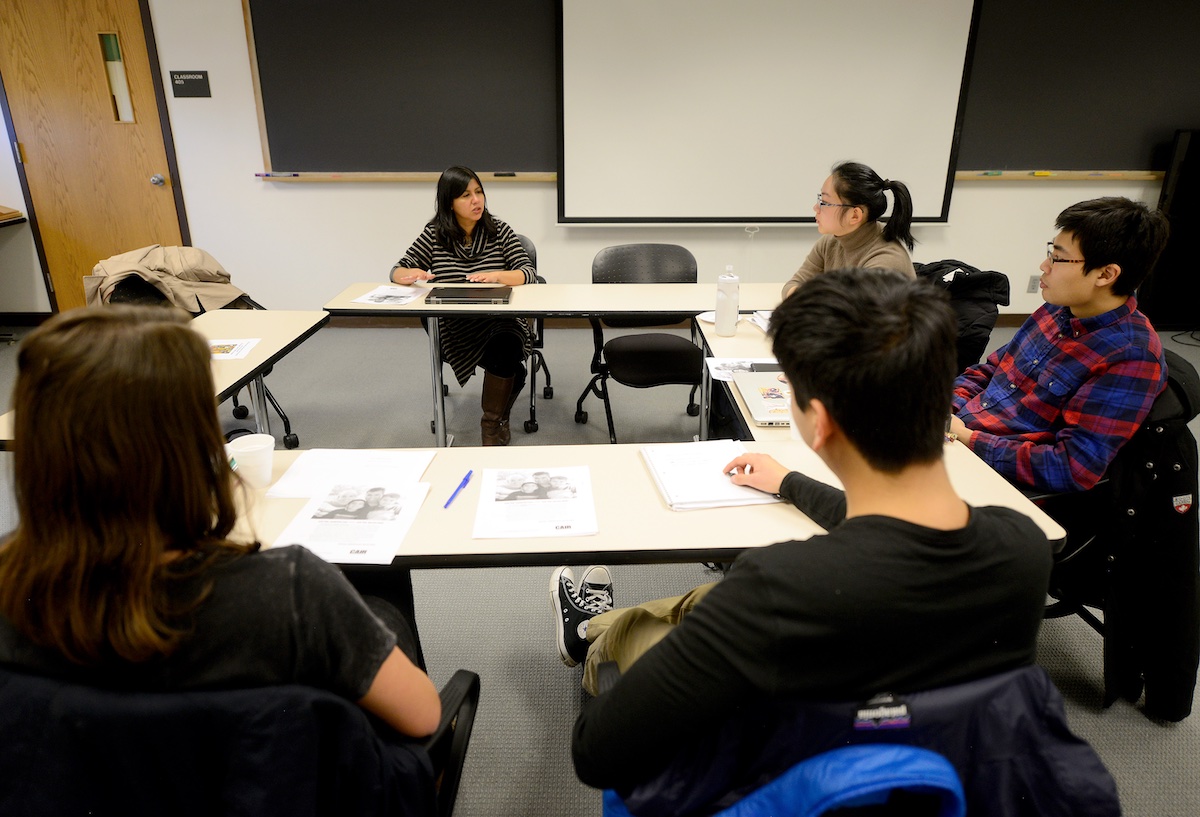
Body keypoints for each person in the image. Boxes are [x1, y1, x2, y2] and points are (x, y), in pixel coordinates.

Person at [552, 269, 1053, 795]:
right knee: (705, 600)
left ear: (819, 421)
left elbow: (595, 754)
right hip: (941, 773)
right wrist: (789, 482)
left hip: (790, 780)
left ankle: (594, 635)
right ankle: (594, 625)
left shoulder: (780, 585)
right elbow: (890, 529)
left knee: (632, 636)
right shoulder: (1022, 546)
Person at [0, 307, 440, 741]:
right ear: (188, 444)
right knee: (382, 580)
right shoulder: (291, 591)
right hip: (271, 789)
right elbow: (424, 718)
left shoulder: (10, 584)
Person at [948, 197, 1170, 494]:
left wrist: (968, 439)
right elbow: (991, 372)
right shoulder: (1057, 309)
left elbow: (1072, 467)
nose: (1044, 266)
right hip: (957, 439)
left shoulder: (1131, 356)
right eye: (1050, 252)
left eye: (1058, 258)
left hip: (997, 477)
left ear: (1106, 274)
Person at [391, 165, 538, 445]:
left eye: (479, 192)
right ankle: (499, 419)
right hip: (456, 326)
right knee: (514, 369)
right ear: (450, 202)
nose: (476, 200)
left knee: (507, 346)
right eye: (466, 195)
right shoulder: (435, 235)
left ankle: (490, 427)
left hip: (499, 320)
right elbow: (398, 269)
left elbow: (527, 272)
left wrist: (498, 276)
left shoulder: (500, 231)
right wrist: (410, 276)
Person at [780, 161, 916, 299]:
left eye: (825, 202)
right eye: (820, 198)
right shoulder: (831, 241)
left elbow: (852, 313)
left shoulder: (884, 261)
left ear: (854, 215)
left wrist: (804, 299)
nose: (816, 208)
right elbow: (795, 284)